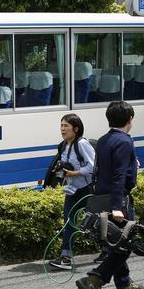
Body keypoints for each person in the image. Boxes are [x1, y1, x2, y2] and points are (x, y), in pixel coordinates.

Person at [75, 101, 140, 289]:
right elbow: (119, 175)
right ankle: (95, 279)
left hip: (101, 197)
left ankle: (123, 284)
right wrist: (117, 206)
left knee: (115, 243)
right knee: (125, 244)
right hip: (117, 199)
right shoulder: (124, 141)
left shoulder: (104, 139)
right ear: (130, 119)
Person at [49, 114, 96, 270]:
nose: (62, 129)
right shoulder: (63, 145)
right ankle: (66, 258)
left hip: (86, 189)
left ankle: (108, 251)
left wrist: (73, 173)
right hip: (72, 189)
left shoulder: (82, 144)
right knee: (69, 221)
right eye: (61, 125)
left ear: (76, 129)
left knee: (93, 222)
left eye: (66, 126)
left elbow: (93, 166)